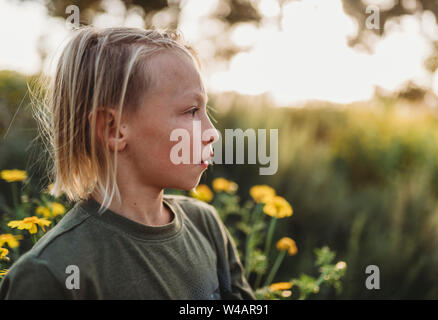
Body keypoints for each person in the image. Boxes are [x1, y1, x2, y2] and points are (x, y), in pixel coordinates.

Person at [0, 26, 255, 300]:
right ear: (113, 129)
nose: (212, 132)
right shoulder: (49, 275)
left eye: (205, 110)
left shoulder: (205, 225)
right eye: (191, 111)